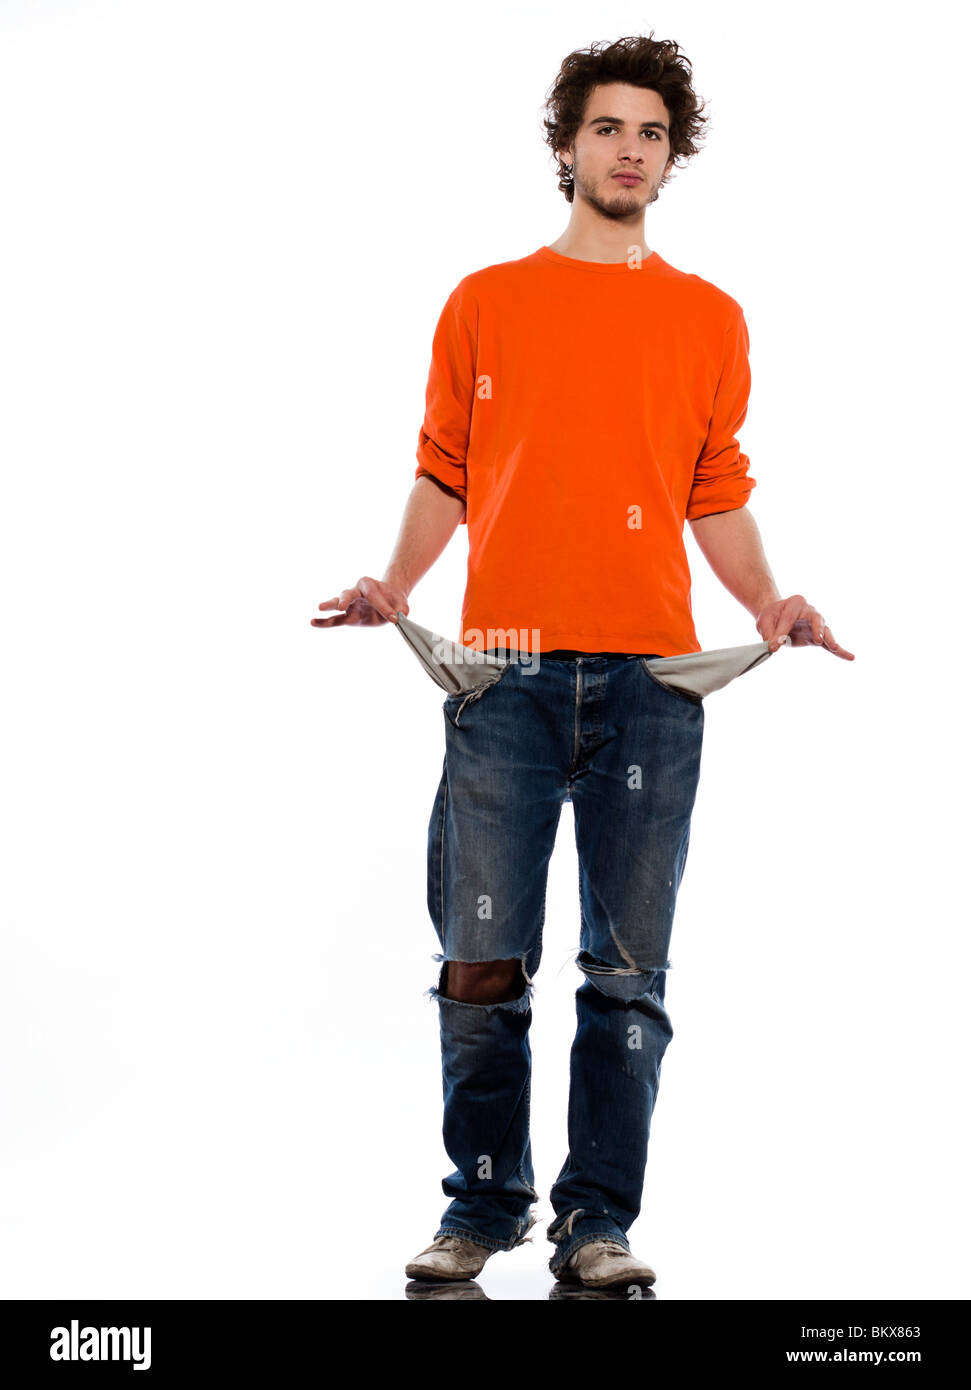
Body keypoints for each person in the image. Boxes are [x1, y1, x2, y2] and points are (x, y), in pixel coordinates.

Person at [311, 32, 854, 1291]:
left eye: (651, 133)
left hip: (649, 687)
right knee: (480, 966)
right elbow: (445, 465)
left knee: (624, 975)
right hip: (498, 672)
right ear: (564, 146)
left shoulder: (707, 318)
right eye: (607, 127)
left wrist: (769, 599)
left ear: (672, 158)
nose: (628, 150)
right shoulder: (485, 300)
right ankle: (479, 1210)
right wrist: (395, 584)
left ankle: (595, 1223)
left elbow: (712, 490)